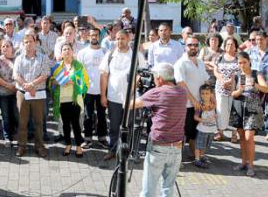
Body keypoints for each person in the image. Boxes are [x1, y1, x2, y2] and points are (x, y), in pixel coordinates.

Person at [126, 62, 187, 197]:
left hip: (158, 147)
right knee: (168, 188)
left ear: (159, 78)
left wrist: (135, 86)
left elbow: (128, 105)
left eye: (154, 76)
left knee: (149, 190)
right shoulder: (182, 92)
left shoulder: (156, 92)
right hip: (177, 147)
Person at [230, 51, 268, 177]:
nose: (242, 65)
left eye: (244, 62)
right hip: (239, 106)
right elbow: (233, 94)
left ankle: (251, 165)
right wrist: (239, 90)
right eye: (239, 63)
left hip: (253, 107)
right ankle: (243, 162)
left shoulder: (256, 73)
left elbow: (266, 89)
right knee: (242, 137)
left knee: (249, 137)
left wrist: (255, 84)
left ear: (249, 61)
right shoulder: (237, 75)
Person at [13, 34, 51, 158]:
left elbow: (45, 74)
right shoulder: (19, 58)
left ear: (35, 43)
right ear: (23, 44)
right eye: (25, 42)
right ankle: (21, 146)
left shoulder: (43, 58)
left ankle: (39, 146)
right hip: (23, 93)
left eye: (30, 41)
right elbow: (16, 75)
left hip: (38, 94)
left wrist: (32, 85)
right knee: (22, 122)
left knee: (39, 122)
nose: (28, 44)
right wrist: (27, 86)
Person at [100, 29, 135, 161]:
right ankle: (112, 150)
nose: (120, 41)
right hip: (113, 98)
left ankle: (127, 152)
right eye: (118, 39)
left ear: (128, 40)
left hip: (131, 99)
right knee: (114, 127)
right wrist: (103, 95)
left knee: (129, 126)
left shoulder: (136, 55)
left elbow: (140, 75)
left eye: (123, 38)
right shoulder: (110, 55)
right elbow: (104, 76)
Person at [50, 43, 89, 158]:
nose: (66, 51)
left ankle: (78, 146)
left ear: (72, 52)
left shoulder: (79, 66)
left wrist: (75, 83)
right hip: (61, 100)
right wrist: (56, 82)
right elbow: (51, 82)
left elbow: (86, 83)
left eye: (68, 49)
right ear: (61, 54)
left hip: (74, 100)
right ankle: (67, 144)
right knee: (65, 124)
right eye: (64, 49)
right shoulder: (57, 67)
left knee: (76, 124)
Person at [174, 36, 210, 159]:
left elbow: (206, 82)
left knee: (195, 133)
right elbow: (181, 84)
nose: (193, 47)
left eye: (195, 45)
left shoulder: (200, 62)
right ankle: (177, 160)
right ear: (185, 46)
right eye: (190, 45)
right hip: (186, 105)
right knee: (182, 134)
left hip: (200, 105)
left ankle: (196, 158)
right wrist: (193, 100)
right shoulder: (180, 63)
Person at [77, 28, 109, 149]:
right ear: (88, 37)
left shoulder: (105, 52)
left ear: (99, 37)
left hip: (102, 90)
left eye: (96, 35)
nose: (94, 37)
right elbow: (79, 72)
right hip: (87, 90)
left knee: (102, 115)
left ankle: (102, 138)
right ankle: (88, 139)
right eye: (92, 35)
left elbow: (108, 72)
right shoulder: (82, 52)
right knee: (88, 115)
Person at [0, 40, 19, 147]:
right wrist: (8, 85)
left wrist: (15, 85)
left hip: (16, 91)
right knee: (5, 116)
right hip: (3, 93)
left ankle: (17, 135)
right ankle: (7, 137)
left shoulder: (17, 59)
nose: (5, 48)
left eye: (7, 46)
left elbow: (20, 74)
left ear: (12, 47)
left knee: (16, 115)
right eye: (3, 46)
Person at [214, 37, 240, 143]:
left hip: (235, 89)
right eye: (228, 44)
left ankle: (234, 133)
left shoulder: (239, 58)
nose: (230, 46)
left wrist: (231, 81)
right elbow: (215, 71)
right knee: (221, 111)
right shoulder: (219, 57)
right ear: (224, 46)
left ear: (236, 46)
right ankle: (220, 132)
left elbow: (240, 71)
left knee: (233, 111)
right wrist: (222, 80)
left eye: (232, 44)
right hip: (221, 88)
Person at [193, 85, 217, 168]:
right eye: (202, 93)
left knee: (206, 145)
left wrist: (215, 116)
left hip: (211, 129)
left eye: (207, 93)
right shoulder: (200, 105)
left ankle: (202, 156)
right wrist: (204, 120)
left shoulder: (214, 103)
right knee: (199, 145)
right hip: (202, 129)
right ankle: (197, 159)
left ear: (211, 94)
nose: (205, 95)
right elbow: (195, 117)